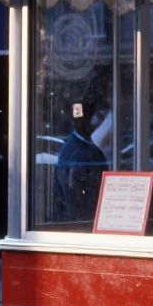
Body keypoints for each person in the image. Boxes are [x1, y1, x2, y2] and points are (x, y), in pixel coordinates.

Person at [55, 94, 109, 224]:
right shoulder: (88, 153)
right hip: (86, 222)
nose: (95, 121)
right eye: (92, 116)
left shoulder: (68, 149)